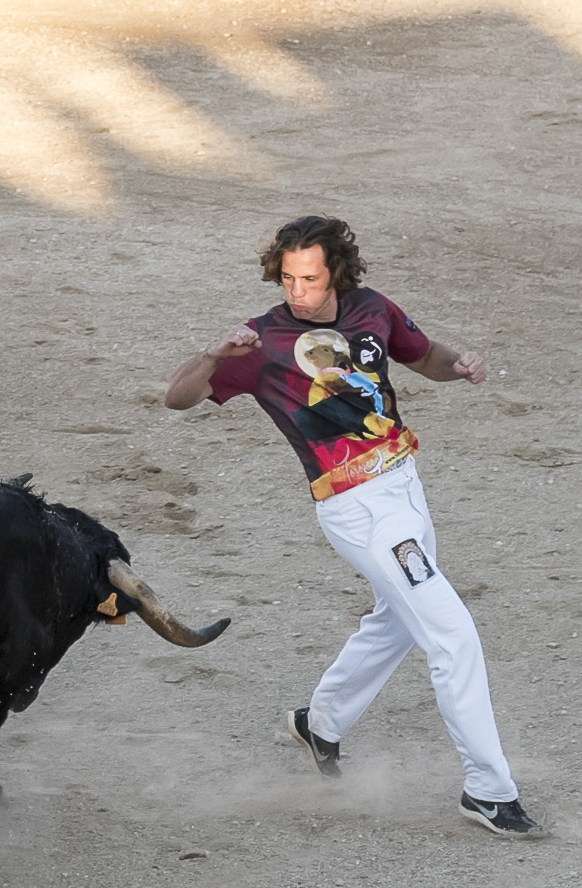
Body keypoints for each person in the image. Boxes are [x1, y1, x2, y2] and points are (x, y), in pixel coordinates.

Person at [163, 215, 541, 837]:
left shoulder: (371, 309)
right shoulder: (260, 343)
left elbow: (424, 357)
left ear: (336, 273)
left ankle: (322, 723)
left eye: (309, 278)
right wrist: (211, 354)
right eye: (287, 278)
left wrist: (463, 365)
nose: (296, 291)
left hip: (405, 486)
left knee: (396, 619)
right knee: (452, 634)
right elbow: (175, 398)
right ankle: (488, 790)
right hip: (357, 508)